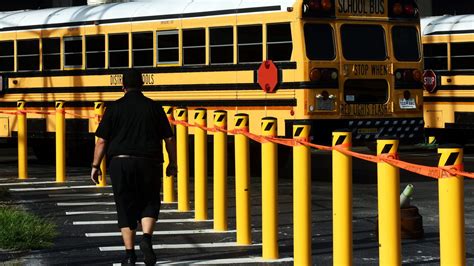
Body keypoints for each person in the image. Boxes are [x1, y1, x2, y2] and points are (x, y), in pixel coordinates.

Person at [90, 69, 177, 265]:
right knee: (149, 201)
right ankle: (146, 239)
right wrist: (173, 162)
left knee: (125, 205)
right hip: (149, 161)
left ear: (123, 86)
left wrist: (96, 165)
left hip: (120, 162)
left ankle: (129, 255)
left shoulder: (114, 108)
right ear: (142, 85)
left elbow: (101, 141)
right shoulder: (154, 107)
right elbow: (169, 138)